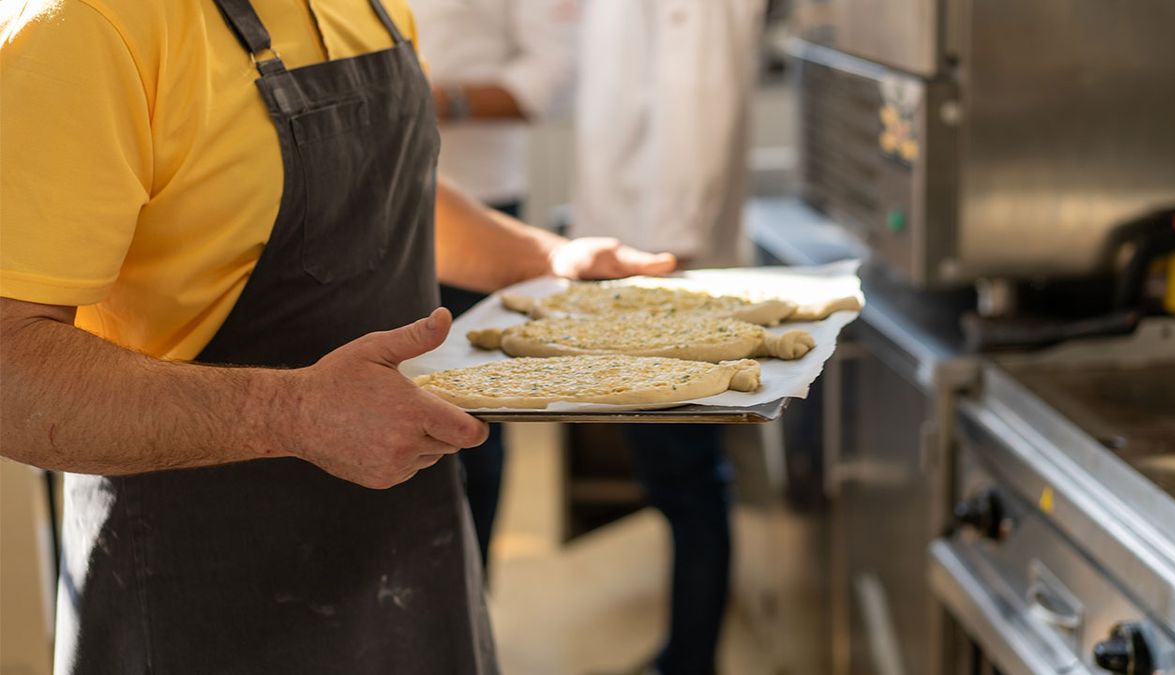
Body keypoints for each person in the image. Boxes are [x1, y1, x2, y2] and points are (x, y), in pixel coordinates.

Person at [0, 1, 673, 672]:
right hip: (204, 588)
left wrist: (544, 260)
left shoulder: (370, 6)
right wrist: (291, 412)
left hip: (411, 553)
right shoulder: (87, 27)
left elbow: (394, 187)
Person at [572, 1, 767, 674]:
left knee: (687, 483)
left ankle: (689, 661)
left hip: (663, 266)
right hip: (634, 254)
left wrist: (674, 251)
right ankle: (683, 653)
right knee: (674, 479)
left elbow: (699, 98)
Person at [408, 0, 578, 570]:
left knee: (472, 417)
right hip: (373, 206)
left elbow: (551, 74)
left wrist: (442, 101)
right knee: (386, 407)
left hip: (481, 201)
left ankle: (472, 603)